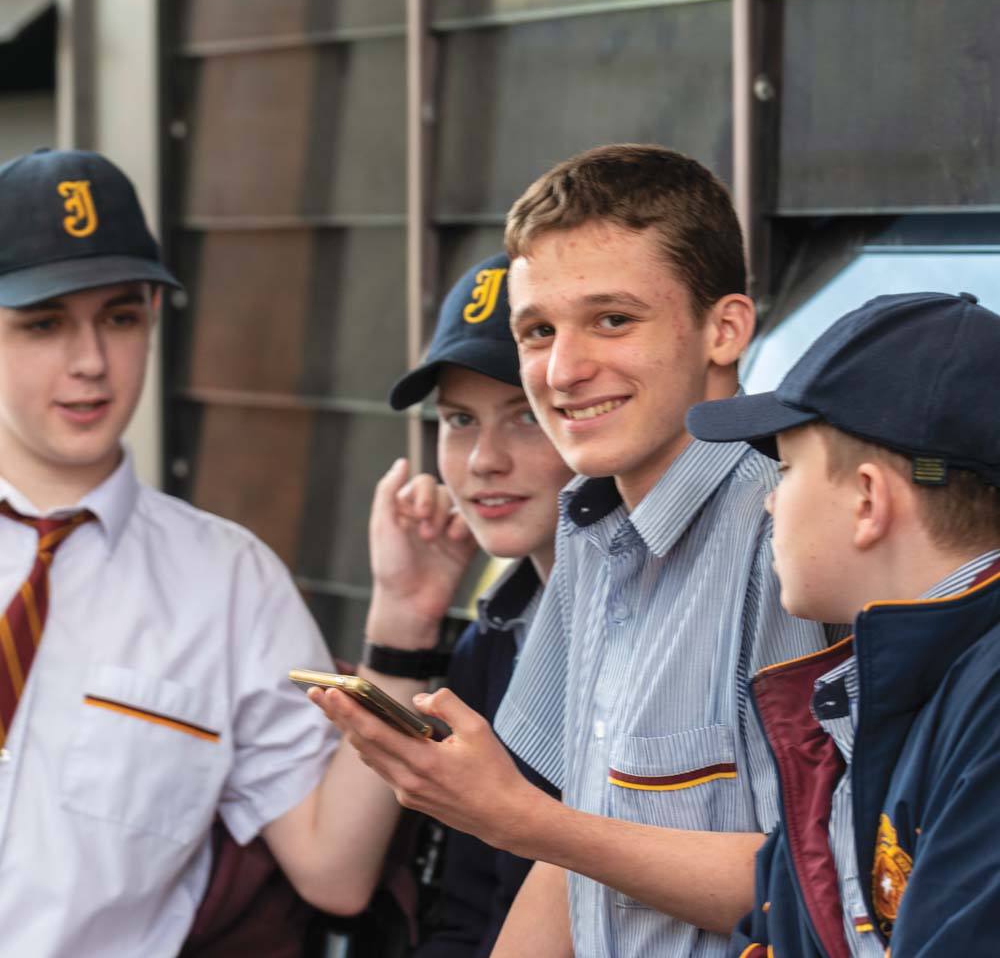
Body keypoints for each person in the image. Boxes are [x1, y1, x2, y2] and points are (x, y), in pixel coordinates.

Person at [314, 143, 831, 957]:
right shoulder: (591, 535)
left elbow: (826, 887)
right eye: (538, 331)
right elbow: (572, 854)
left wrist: (516, 816)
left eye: (612, 320)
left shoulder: (793, 538)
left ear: (725, 328)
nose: (562, 369)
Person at [0, 147, 449, 957]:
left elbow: (333, 870)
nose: (92, 362)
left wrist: (400, 631)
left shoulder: (228, 581)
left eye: (121, 317)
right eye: (45, 323)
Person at [686, 290, 1000, 958]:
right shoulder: (859, 704)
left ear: (866, 499)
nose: (770, 502)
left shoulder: (983, 702)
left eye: (788, 469)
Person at [317, 252, 570, 957]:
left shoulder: (649, 620)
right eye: (459, 419)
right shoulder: (491, 639)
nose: (484, 459)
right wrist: (405, 612)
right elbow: (459, 908)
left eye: (524, 417)